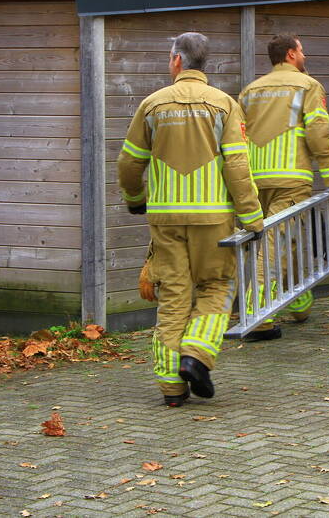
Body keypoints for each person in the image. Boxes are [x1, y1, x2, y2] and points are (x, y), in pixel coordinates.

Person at [118, 32, 263, 406]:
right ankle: (195, 357)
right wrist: (251, 216)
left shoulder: (151, 105)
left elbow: (129, 161)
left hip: (165, 220)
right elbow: (237, 163)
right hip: (213, 220)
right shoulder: (224, 105)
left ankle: (171, 388)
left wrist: (136, 200)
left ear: (177, 61)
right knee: (215, 288)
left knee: (174, 298)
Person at [238, 33, 329, 341]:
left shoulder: (249, 91)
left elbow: (237, 138)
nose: (305, 55)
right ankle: (257, 318)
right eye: (301, 50)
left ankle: (299, 301)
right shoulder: (308, 86)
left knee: (289, 242)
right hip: (291, 179)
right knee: (274, 249)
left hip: (257, 180)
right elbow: (318, 133)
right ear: (290, 54)